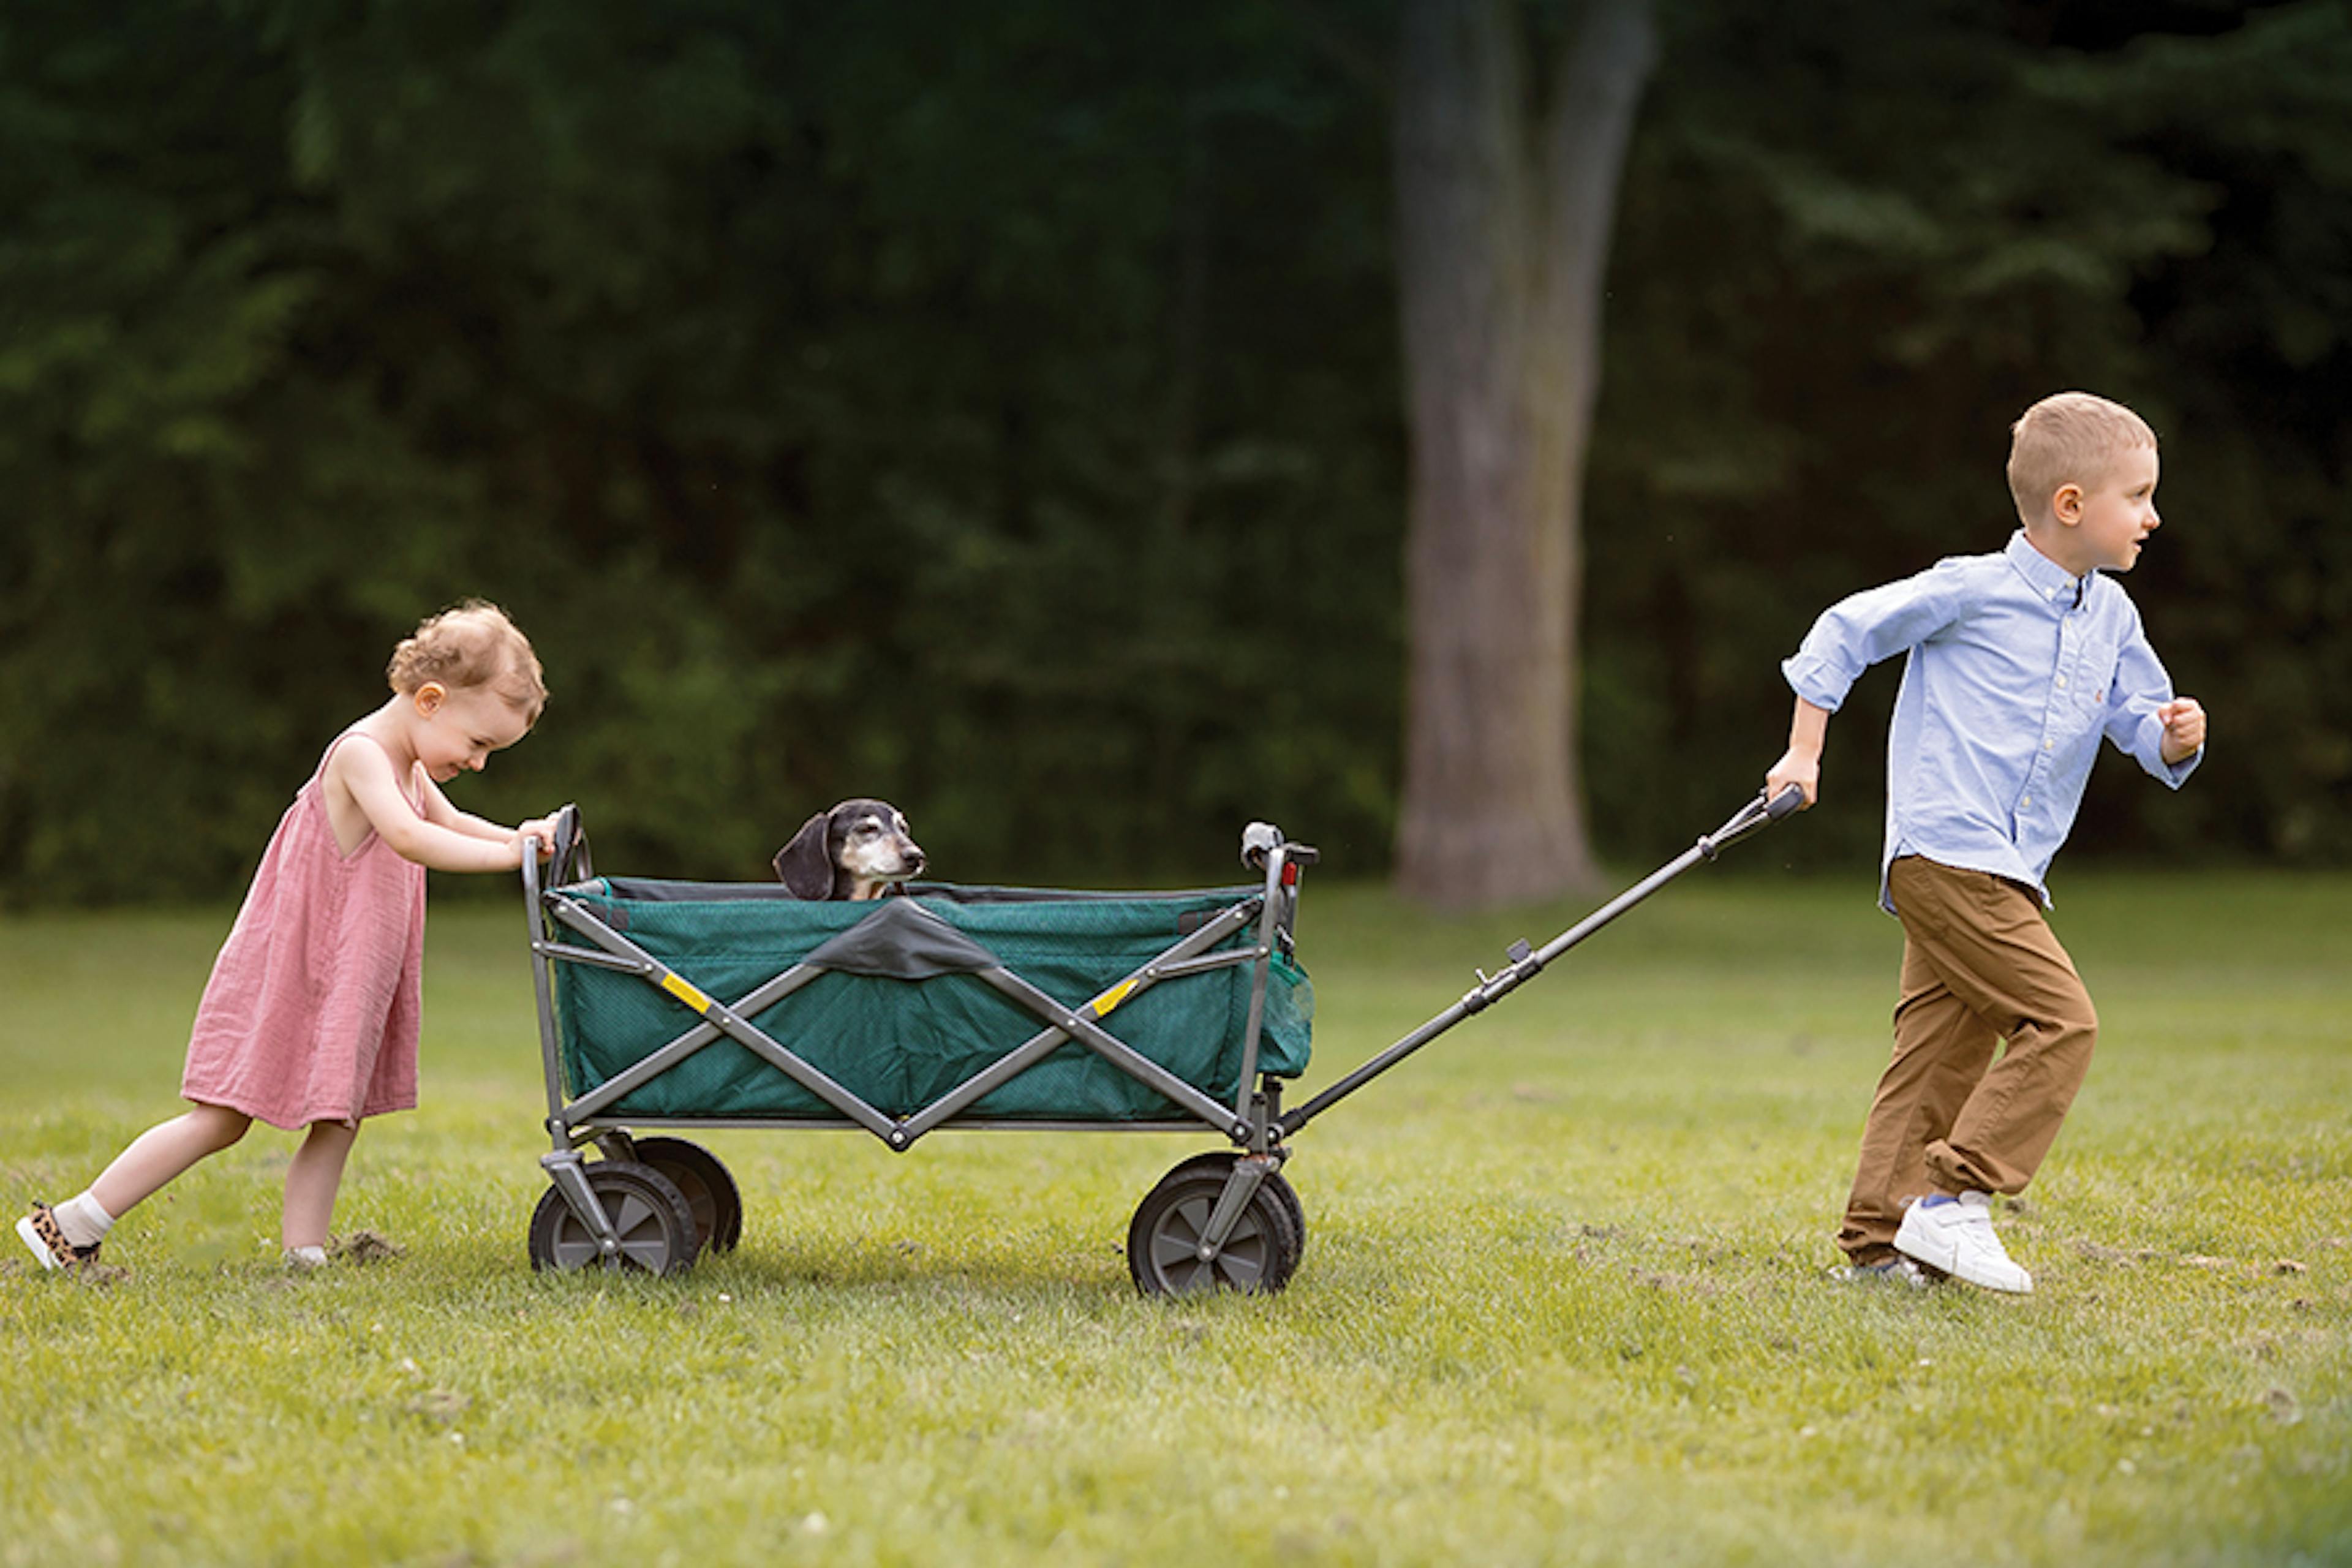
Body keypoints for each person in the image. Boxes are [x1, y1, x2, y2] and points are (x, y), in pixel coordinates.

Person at [1765, 391, 2207, 1294]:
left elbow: (2136, 717)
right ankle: (1953, 1204)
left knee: (1940, 1050)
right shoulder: (1971, 589)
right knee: (2060, 1020)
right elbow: (1844, 632)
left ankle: (1882, 1247)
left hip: (2010, 867)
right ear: (2072, 505)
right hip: (1945, 850)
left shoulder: (2113, 619)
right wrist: (1802, 754)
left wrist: (2172, 737)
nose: (2154, 516)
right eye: (2140, 496)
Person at [17, 600, 562, 1272]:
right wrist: (509, 861)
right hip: (301, 966)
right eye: (478, 743)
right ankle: (71, 1223)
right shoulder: (363, 755)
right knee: (223, 1117)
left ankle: (305, 1255)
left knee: (339, 1112)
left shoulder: (413, 764)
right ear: (429, 700)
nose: (480, 762)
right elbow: (412, 837)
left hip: (348, 971)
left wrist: (520, 838)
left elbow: (452, 822)